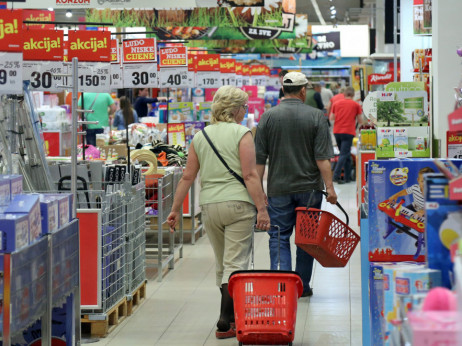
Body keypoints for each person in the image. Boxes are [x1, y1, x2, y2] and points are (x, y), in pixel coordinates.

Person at [167, 85, 270, 339]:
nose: (245, 111)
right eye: (244, 107)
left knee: (223, 263)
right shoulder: (242, 133)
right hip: (238, 205)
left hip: (210, 206)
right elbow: (249, 175)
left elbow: (187, 176)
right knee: (235, 264)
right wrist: (262, 209)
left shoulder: (201, 136)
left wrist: (174, 210)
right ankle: (226, 319)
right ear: (235, 109)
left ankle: (231, 317)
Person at [255, 72, 338, 298]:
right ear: (303, 91)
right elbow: (322, 158)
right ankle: (302, 285)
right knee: (306, 238)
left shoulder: (267, 117)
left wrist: (258, 193)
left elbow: (259, 160)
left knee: (279, 235)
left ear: (283, 90)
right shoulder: (316, 116)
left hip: (278, 188)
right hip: (310, 189)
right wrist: (330, 187)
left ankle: (281, 284)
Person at [330, 86, 364, 184]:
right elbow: (360, 120)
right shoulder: (356, 105)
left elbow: (332, 118)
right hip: (348, 132)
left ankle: (347, 177)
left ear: (344, 94)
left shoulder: (336, 104)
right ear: (353, 95)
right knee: (344, 154)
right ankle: (336, 176)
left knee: (346, 155)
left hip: (337, 132)